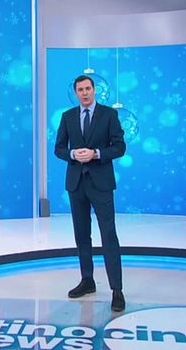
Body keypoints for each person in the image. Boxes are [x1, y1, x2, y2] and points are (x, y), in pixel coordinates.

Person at [54, 74, 127, 312]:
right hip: (76, 184)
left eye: (88, 89)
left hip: (101, 183)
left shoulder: (109, 115)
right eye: (80, 90)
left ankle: (117, 290)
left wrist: (96, 153)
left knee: (109, 235)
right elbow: (59, 148)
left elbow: (120, 147)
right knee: (82, 235)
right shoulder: (68, 117)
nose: (84, 93)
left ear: (94, 90)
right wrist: (73, 154)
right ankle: (87, 280)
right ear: (75, 93)